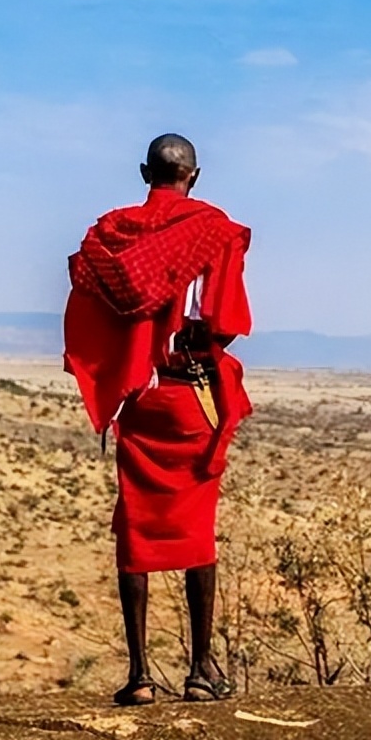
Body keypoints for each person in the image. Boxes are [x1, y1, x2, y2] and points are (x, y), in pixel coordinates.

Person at [63, 133, 252, 706]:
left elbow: (88, 309)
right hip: (193, 397)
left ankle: (140, 676)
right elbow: (223, 319)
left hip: (141, 398)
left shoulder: (109, 237)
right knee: (197, 530)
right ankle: (200, 671)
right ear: (195, 175)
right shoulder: (214, 231)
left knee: (136, 527)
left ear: (145, 171)